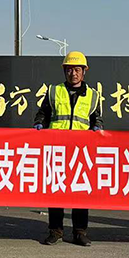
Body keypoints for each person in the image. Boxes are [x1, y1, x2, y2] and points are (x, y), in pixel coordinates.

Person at [33, 51, 103, 247]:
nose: (73, 73)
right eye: (70, 70)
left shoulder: (93, 96)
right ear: (65, 71)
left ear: (84, 72)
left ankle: (80, 232)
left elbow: (97, 118)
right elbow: (43, 113)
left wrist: (97, 128)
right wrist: (39, 123)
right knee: (56, 191)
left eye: (77, 70)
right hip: (57, 149)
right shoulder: (54, 91)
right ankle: (55, 231)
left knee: (80, 193)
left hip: (81, 151)